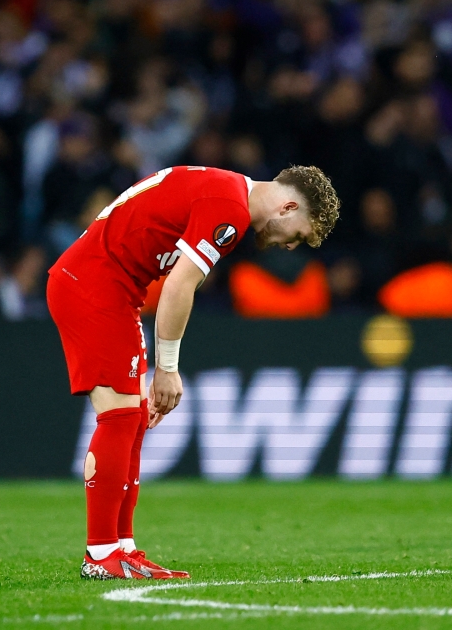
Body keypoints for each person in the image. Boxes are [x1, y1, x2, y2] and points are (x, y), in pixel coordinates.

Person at [47, 165, 340, 579]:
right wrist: (168, 368)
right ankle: (99, 554)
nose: (290, 246)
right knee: (119, 418)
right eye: (297, 234)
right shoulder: (230, 208)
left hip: (112, 288)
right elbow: (179, 285)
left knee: (131, 422)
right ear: (288, 206)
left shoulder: (224, 191)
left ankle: (122, 548)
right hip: (94, 285)